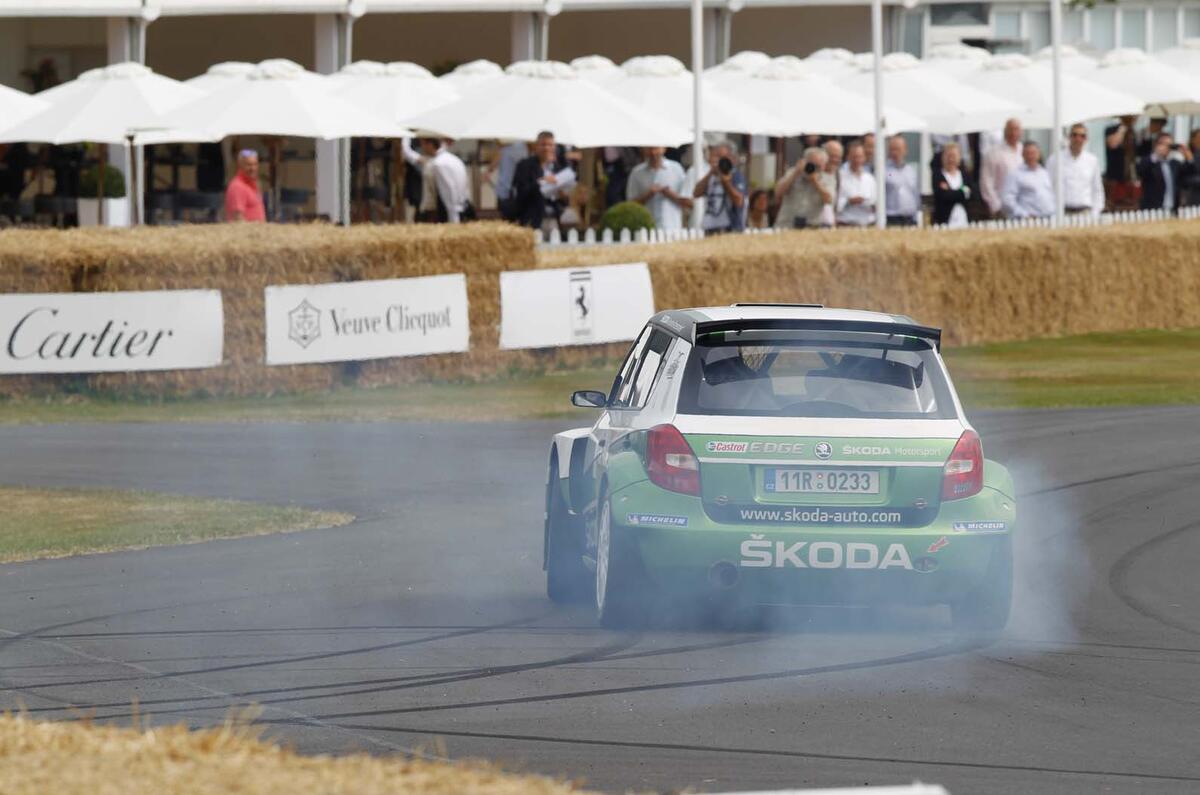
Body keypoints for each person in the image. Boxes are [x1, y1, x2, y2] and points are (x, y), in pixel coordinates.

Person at [512, 130, 576, 232]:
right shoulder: (525, 166)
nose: (547, 148)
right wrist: (542, 182)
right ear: (536, 146)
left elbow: (566, 200)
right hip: (532, 220)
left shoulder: (558, 168)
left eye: (550, 145)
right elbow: (521, 193)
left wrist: (563, 195)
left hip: (554, 218)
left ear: (554, 147)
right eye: (543, 145)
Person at [625, 146, 691, 231]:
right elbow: (630, 205)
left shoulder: (676, 168)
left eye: (656, 148)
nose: (653, 152)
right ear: (644, 150)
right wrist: (648, 195)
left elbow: (688, 202)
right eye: (649, 148)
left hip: (672, 228)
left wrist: (669, 193)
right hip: (646, 229)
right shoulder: (636, 172)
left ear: (664, 148)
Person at [1046, 123, 1103, 218]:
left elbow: (1097, 188)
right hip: (1062, 212)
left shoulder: (1092, 160)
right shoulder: (1055, 159)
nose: (1078, 139)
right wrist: (1052, 211)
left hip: (1085, 213)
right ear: (1069, 137)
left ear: (1086, 139)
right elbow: (1047, 186)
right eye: (1075, 135)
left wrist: (1096, 212)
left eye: (1082, 136)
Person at [409, 138, 472, 223]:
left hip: (445, 212)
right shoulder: (454, 159)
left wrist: (453, 218)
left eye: (423, 144)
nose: (422, 148)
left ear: (430, 145)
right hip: (461, 207)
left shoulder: (439, 164)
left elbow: (448, 192)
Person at [692, 139, 746, 233]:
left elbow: (739, 201)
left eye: (721, 157)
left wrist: (725, 182)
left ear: (731, 158)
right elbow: (696, 193)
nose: (717, 160)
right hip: (710, 227)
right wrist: (710, 174)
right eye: (715, 156)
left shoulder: (735, 175)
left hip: (728, 228)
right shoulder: (711, 175)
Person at [773, 146, 835, 229]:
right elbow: (778, 193)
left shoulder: (828, 179)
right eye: (812, 165)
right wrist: (795, 173)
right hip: (787, 224)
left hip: (811, 227)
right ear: (804, 161)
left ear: (824, 166)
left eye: (818, 167)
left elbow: (829, 200)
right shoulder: (792, 173)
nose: (814, 169)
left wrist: (815, 182)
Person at [980, 118, 1023, 217]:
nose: (1013, 133)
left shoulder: (1024, 151)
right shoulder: (992, 153)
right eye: (1010, 129)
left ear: (1021, 132)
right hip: (1002, 209)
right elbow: (986, 182)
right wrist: (996, 207)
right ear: (1005, 131)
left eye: (1016, 129)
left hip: (1024, 209)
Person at [1137, 132, 1189, 212]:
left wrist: (1186, 154)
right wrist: (1156, 154)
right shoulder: (1150, 161)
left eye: (1169, 145)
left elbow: (1190, 174)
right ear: (1157, 145)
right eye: (1163, 144)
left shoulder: (1174, 163)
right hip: (1153, 208)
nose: (1166, 148)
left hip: (1172, 208)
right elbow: (1141, 171)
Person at [1002, 141, 1054, 219]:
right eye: (1028, 153)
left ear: (1039, 154)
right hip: (1029, 220)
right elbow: (1007, 199)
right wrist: (1023, 214)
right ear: (1023, 155)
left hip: (1049, 218)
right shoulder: (1015, 174)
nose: (1031, 156)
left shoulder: (1044, 173)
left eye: (1033, 153)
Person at [932, 141, 973, 228]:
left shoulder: (965, 175)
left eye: (953, 156)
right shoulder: (938, 175)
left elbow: (970, 194)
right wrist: (961, 191)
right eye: (948, 156)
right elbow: (943, 196)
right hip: (945, 222)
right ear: (943, 157)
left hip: (964, 220)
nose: (951, 159)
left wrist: (950, 192)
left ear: (959, 158)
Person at [836, 141, 876, 227]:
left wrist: (868, 202)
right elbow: (834, 202)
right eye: (854, 157)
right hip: (846, 224)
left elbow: (875, 201)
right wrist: (849, 201)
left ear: (864, 158)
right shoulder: (840, 176)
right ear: (848, 157)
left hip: (867, 225)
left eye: (860, 157)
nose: (857, 160)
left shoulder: (870, 178)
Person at [488, 140, 529, 220]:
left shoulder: (505, 150)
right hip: (519, 192)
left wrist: (488, 172)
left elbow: (490, 169)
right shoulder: (525, 148)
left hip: (506, 193)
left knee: (507, 220)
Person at [884, 135, 920, 226]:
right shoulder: (886, 171)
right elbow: (889, 178)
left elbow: (915, 194)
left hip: (910, 218)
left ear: (905, 150)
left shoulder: (911, 171)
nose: (895, 153)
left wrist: (917, 216)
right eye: (893, 149)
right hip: (892, 217)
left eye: (898, 149)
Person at [224, 149, 266, 222]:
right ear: (240, 166)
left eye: (255, 164)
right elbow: (238, 219)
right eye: (249, 165)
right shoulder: (237, 186)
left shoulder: (254, 184)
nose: (253, 168)